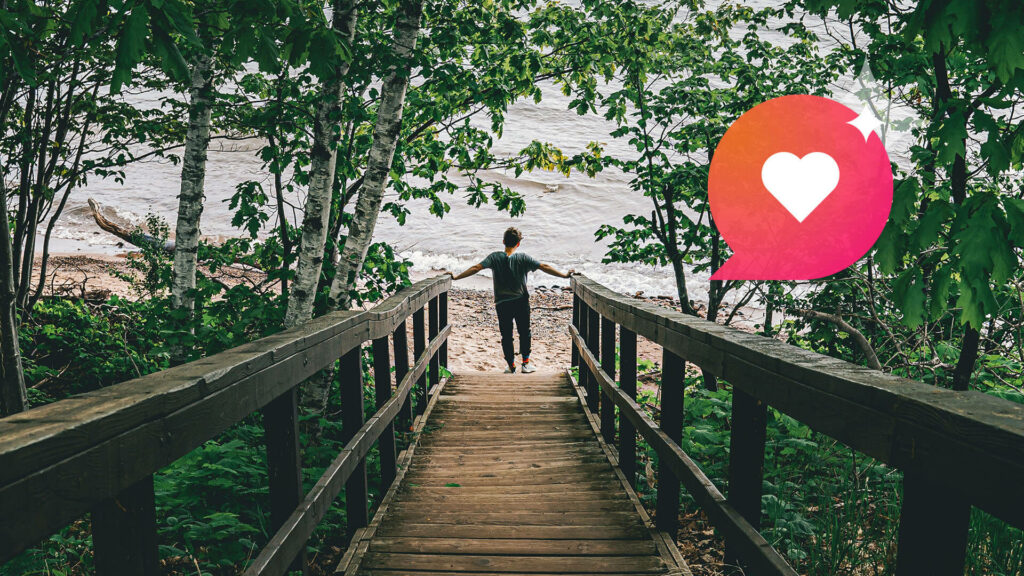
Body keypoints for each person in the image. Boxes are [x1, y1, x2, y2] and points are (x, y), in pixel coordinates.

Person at [446, 227, 574, 373]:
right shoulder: (523, 258)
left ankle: (511, 365)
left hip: (502, 303)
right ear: (518, 244)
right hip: (521, 301)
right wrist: (564, 276)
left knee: (506, 335)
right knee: (524, 332)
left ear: (503, 241)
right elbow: (543, 266)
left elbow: (476, 268)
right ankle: (525, 364)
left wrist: (456, 277)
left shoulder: (494, 257)